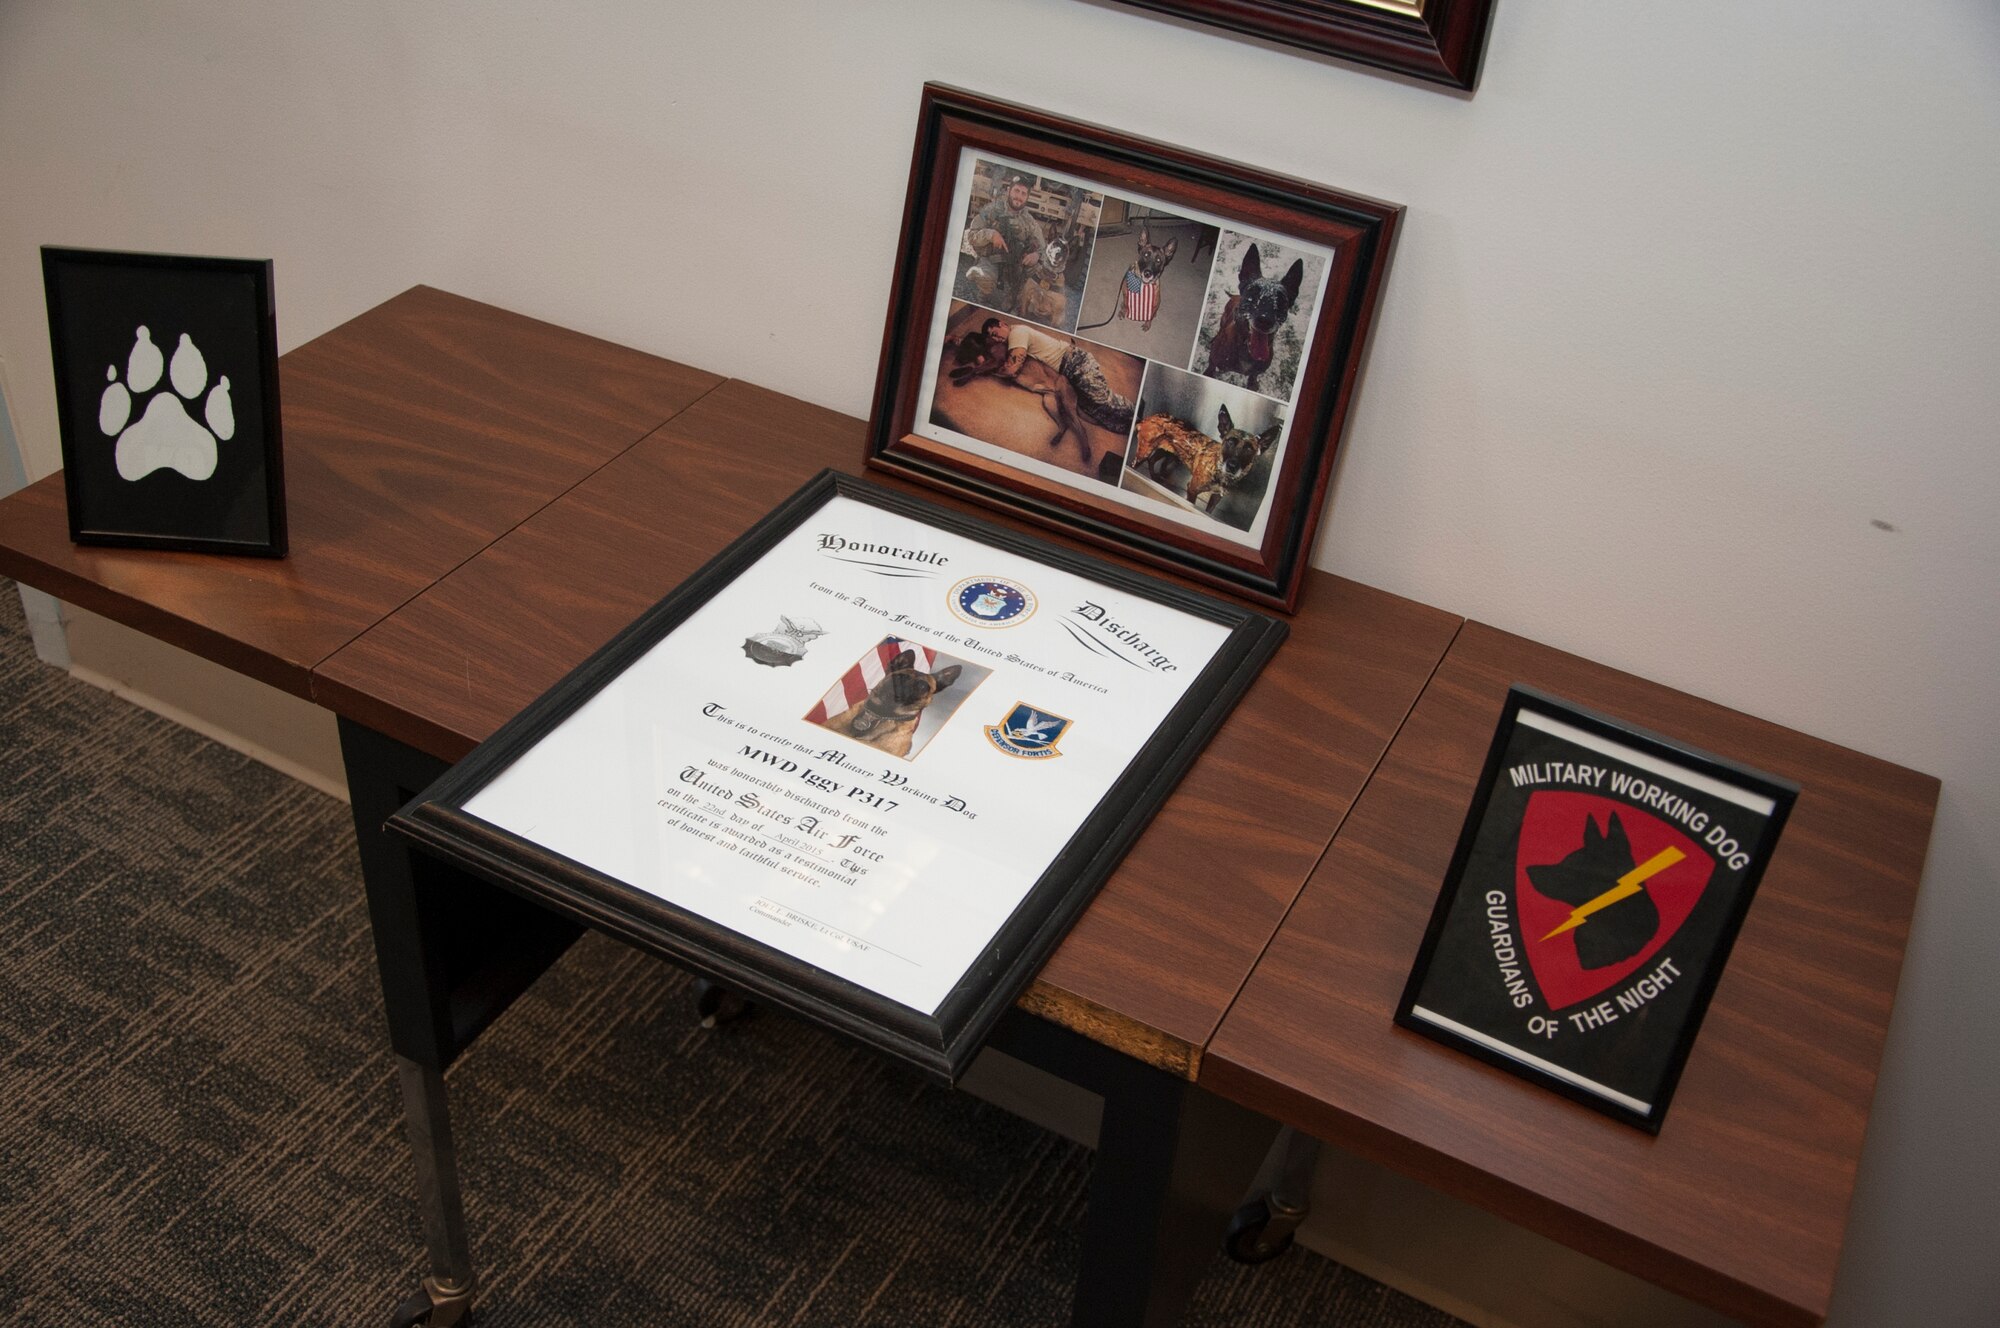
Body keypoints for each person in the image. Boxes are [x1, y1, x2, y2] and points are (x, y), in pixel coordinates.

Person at [981, 317, 1133, 435]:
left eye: (995, 333)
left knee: (1102, 399)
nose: (995, 339)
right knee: (1090, 409)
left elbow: (1012, 370)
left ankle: (1135, 413)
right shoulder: (1013, 338)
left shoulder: (1017, 333)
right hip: (1067, 371)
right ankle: (1130, 427)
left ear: (1002, 324)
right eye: (991, 338)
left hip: (1076, 362)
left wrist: (988, 370)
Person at [959, 174, 1047, 313]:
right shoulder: (992, 210)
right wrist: (991, 234)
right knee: (986, 279)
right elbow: (971, 235)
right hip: (992, 260)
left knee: (1015, 300)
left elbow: (1043, 249)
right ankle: (983, 295)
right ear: (1008, 191)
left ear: (1027, 197)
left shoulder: (1030, 222)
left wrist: (1036, 255)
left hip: (1015, 266)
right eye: (1016, 191)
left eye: (1023, 193)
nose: (1019, 196)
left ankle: (1017, 299)